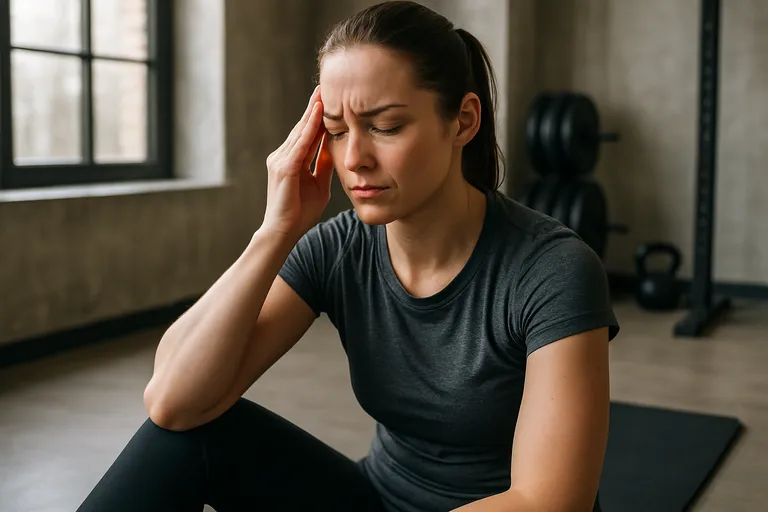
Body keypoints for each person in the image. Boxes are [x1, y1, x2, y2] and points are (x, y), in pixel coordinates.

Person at [77, 2, 619, 511]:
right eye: (335, 131)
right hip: (377, 497)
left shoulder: (552, 269)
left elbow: (549, 501)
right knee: (186, 438)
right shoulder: (340, 247)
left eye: (385, 127)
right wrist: (276, 231)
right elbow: (173, 401)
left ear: (463, 121)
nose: (354, 158)